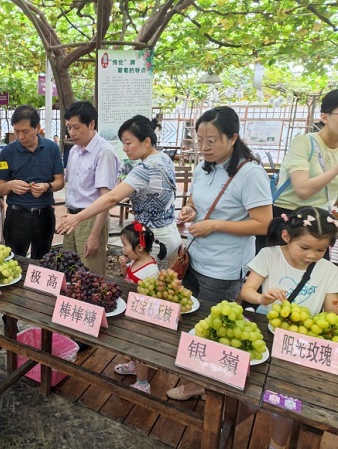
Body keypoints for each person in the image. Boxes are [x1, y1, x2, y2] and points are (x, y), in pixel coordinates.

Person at [166, 106, 272, 401]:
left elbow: (263, 223)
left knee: (213, 328)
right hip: (195, 260)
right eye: (199, 140)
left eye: (211, 141)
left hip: (224, 268)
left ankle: (203, 384)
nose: (203, 147)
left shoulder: (250, 173)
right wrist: (191, 210)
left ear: (233, 138)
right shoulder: (204, 167)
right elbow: (196, 200)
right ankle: (195, 373)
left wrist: (215, 225)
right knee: (189, 321)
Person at [240, 206, 338, 449]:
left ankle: (277, 445)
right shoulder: (269, 255)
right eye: (305, 248)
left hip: (300, 345)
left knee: (287, 400)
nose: (312, 255)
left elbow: (331, 312)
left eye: (320, 249)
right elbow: (247, 290)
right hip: (264, 338)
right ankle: (229, 424)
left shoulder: (329, 271)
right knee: (251, 393)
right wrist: (263, 299)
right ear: (286, 236)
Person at [57, 114, 181, 269]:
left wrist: (77, 218)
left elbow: (111, 198)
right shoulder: (163, 158)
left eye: (128, 143)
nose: (124, 148)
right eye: (123, 143)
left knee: (145, 286)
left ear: (147, 141)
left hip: (154, 240)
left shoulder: (145, 168)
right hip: (168, 233)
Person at [257, 89, 338, 252]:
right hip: (287, 220)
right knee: (275, 275)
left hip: (318, 224)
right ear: (324, 117)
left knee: (313, 276)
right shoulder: (304, 142)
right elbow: (303, 190)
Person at [0, 105, 64, 259]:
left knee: (42, 261)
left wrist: (47, 187)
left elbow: (60, 182)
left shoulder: (51, 149)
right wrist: (10, 185)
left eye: (25, 131)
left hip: (44, 215)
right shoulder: (7, 152)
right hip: (17, 216)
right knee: (14, 260)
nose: (20, 136)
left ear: (37, 128)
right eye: (16, 131)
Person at [61, 101, 119, 274]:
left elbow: (105, 199)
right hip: (71, 218)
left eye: (76, 127)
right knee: (69, 270)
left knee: (90, 274)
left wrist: (94, 235)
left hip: (91, 220)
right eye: (69, 127)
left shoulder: (104, 152)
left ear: (91, 124)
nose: (72, 133)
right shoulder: (74, 151)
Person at [114, 221, 162, 393]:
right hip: (131, 311)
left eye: (125, 245)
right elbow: (127, 277)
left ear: (140, 247)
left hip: (143, 317)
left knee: (140, 347)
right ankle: (134, 365)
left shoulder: (151, 270)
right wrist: (122, 266)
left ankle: (143, 384)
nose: (123, 249)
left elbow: (153, 297)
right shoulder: (135, 261)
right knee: (132, 344)